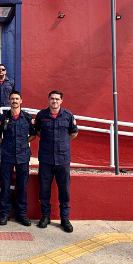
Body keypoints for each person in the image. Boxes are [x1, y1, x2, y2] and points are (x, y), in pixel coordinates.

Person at [34, 90, 78, 233]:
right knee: (44, 189)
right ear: (48, 100)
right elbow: (38, 131)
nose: (54, 101)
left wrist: (62, 143)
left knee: (64, 190)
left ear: (61, 101)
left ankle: (64, 218)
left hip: (63, 159)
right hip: (46, 159)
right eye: (52, 99)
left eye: (57, 99)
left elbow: (73, 133)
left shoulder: (68, 116)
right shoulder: (41, 115)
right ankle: (45, 216)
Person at [0, 91, 36, 226]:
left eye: (17, 99)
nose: (14, 101)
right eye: (12, 99)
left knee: (22, 185)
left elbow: (33, 135)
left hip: (23, 155)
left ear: (21, 101)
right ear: (9, 100)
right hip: (7, 155)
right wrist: (6, 144)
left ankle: (21, 213)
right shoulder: (3, 117)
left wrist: (23, 143)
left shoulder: (27, 117)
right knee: (5, 184)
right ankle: (5, 213)